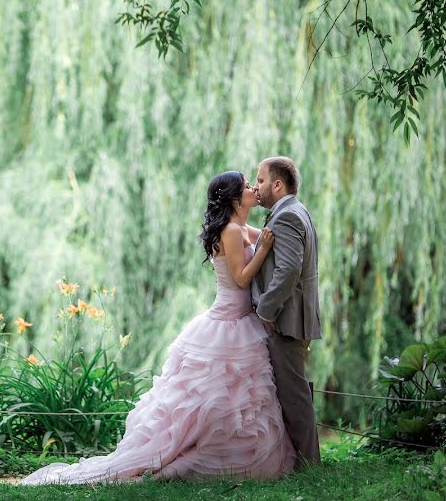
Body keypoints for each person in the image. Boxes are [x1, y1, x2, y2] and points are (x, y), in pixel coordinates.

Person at [21, 171, 296, 485]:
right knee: (217, 398)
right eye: (248, 185)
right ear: (235, 198)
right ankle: (191, 458)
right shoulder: (231, 231)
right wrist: (262, 251)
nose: (252, 189)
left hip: (241, 320)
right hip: (227, 323)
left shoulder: (239, 227)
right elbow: (243, 278)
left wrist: (284, 228)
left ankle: (233, 453)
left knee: (237, 400)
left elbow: (268, 234)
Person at [251, 157, 322, 467]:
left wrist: (266, 308)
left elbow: (289, 270)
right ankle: (306, 462)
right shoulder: (295, 211)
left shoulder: (286, 217)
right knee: (295, 390)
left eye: (261, 180)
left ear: (277, 185)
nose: (257, 186)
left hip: (286, 318)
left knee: (294, 396)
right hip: (295, 317)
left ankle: (310, 466)